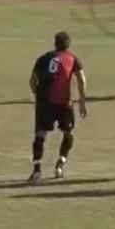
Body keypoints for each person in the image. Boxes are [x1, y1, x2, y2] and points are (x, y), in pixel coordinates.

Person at [28, 32, 89, 185]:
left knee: (40, 136)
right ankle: (60, 165)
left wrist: (38, 95)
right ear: (68, 45)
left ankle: (37, 172)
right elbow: (81, 79)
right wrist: (82, 101)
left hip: (44, 104)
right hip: (64, 103)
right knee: (68, 133)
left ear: (55, 44)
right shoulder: (72, 58)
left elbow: (32, 81)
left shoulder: (43, 58)